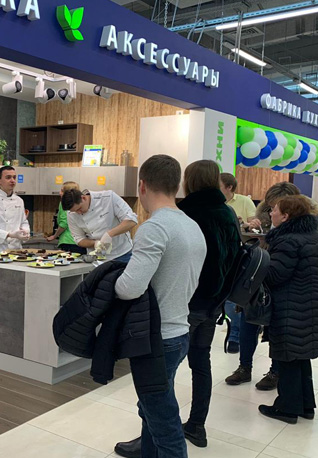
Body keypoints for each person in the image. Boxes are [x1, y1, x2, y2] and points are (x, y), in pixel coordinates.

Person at [113, 155, 207, 458]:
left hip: (156, 338)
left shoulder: (154, 228)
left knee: (163, 420)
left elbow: (129, 288)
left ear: (142, 185)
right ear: (176, 185)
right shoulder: (191, 226)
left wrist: (111, 279)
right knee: (153, 407)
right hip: (179, 331)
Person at [177, 161, 241, 448]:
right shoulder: (227, 213)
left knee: (162, 368)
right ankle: (196, 425)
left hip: (187, 303)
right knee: (201, 363)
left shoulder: (187, 213)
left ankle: (154, 436)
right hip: (215, 304)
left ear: (189, 181)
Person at [258, 195, 318, 424]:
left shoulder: (288, 240)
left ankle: (287, 408)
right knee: (301, 357)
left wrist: (259, 260)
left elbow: (274, 275)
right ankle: (306, 406)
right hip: (312, 307)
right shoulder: (314, 236)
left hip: (291, 310)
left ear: (286, 216)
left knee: (288, 358)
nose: (270, 213)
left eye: (274, 210)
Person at [225, 181, 302, 391]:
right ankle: (244, 367)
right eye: (270, 206)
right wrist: (250, 228)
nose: (272, 210)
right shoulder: (264, 214)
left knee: (276, 328)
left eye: (277, 206)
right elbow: (251, 241)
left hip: (282, 283)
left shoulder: (300, 226)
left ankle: (275, 371)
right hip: (258, 278)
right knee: (248, 321)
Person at [219, 173, 257, 353]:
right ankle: (236, 332)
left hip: (239, 256)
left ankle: (235, 335)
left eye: (218, 185)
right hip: (220, 256)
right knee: (225, 299)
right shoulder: (215, 204)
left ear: (229, 187)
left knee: (233, 297)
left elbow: (254, 225)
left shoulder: (244, 202)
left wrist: (246, 224)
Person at [61, 188, 138, 262]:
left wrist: (109, 234)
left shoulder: (108, 197)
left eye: (79, 209)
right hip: (96, 258)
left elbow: (132, 220)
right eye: (75, 211)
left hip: (122, 254)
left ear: (83, 198)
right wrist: (96, 243)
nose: (79, 213)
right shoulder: (71, 214)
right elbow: (79, 239)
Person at [0, 166, 30, 254]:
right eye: (8, 177)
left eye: (14, 177)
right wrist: (10, 235)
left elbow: (24, 222)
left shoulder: (19, 200)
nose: (12, 180)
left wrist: (25, 232)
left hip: (17, 250)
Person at [46, 181, 85, 254]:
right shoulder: (81, 203)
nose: (60, 193)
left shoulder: (64, 203)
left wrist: (54, 236)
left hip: (68, 241)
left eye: (62, 191)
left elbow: (64, 223)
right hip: (80, 241)